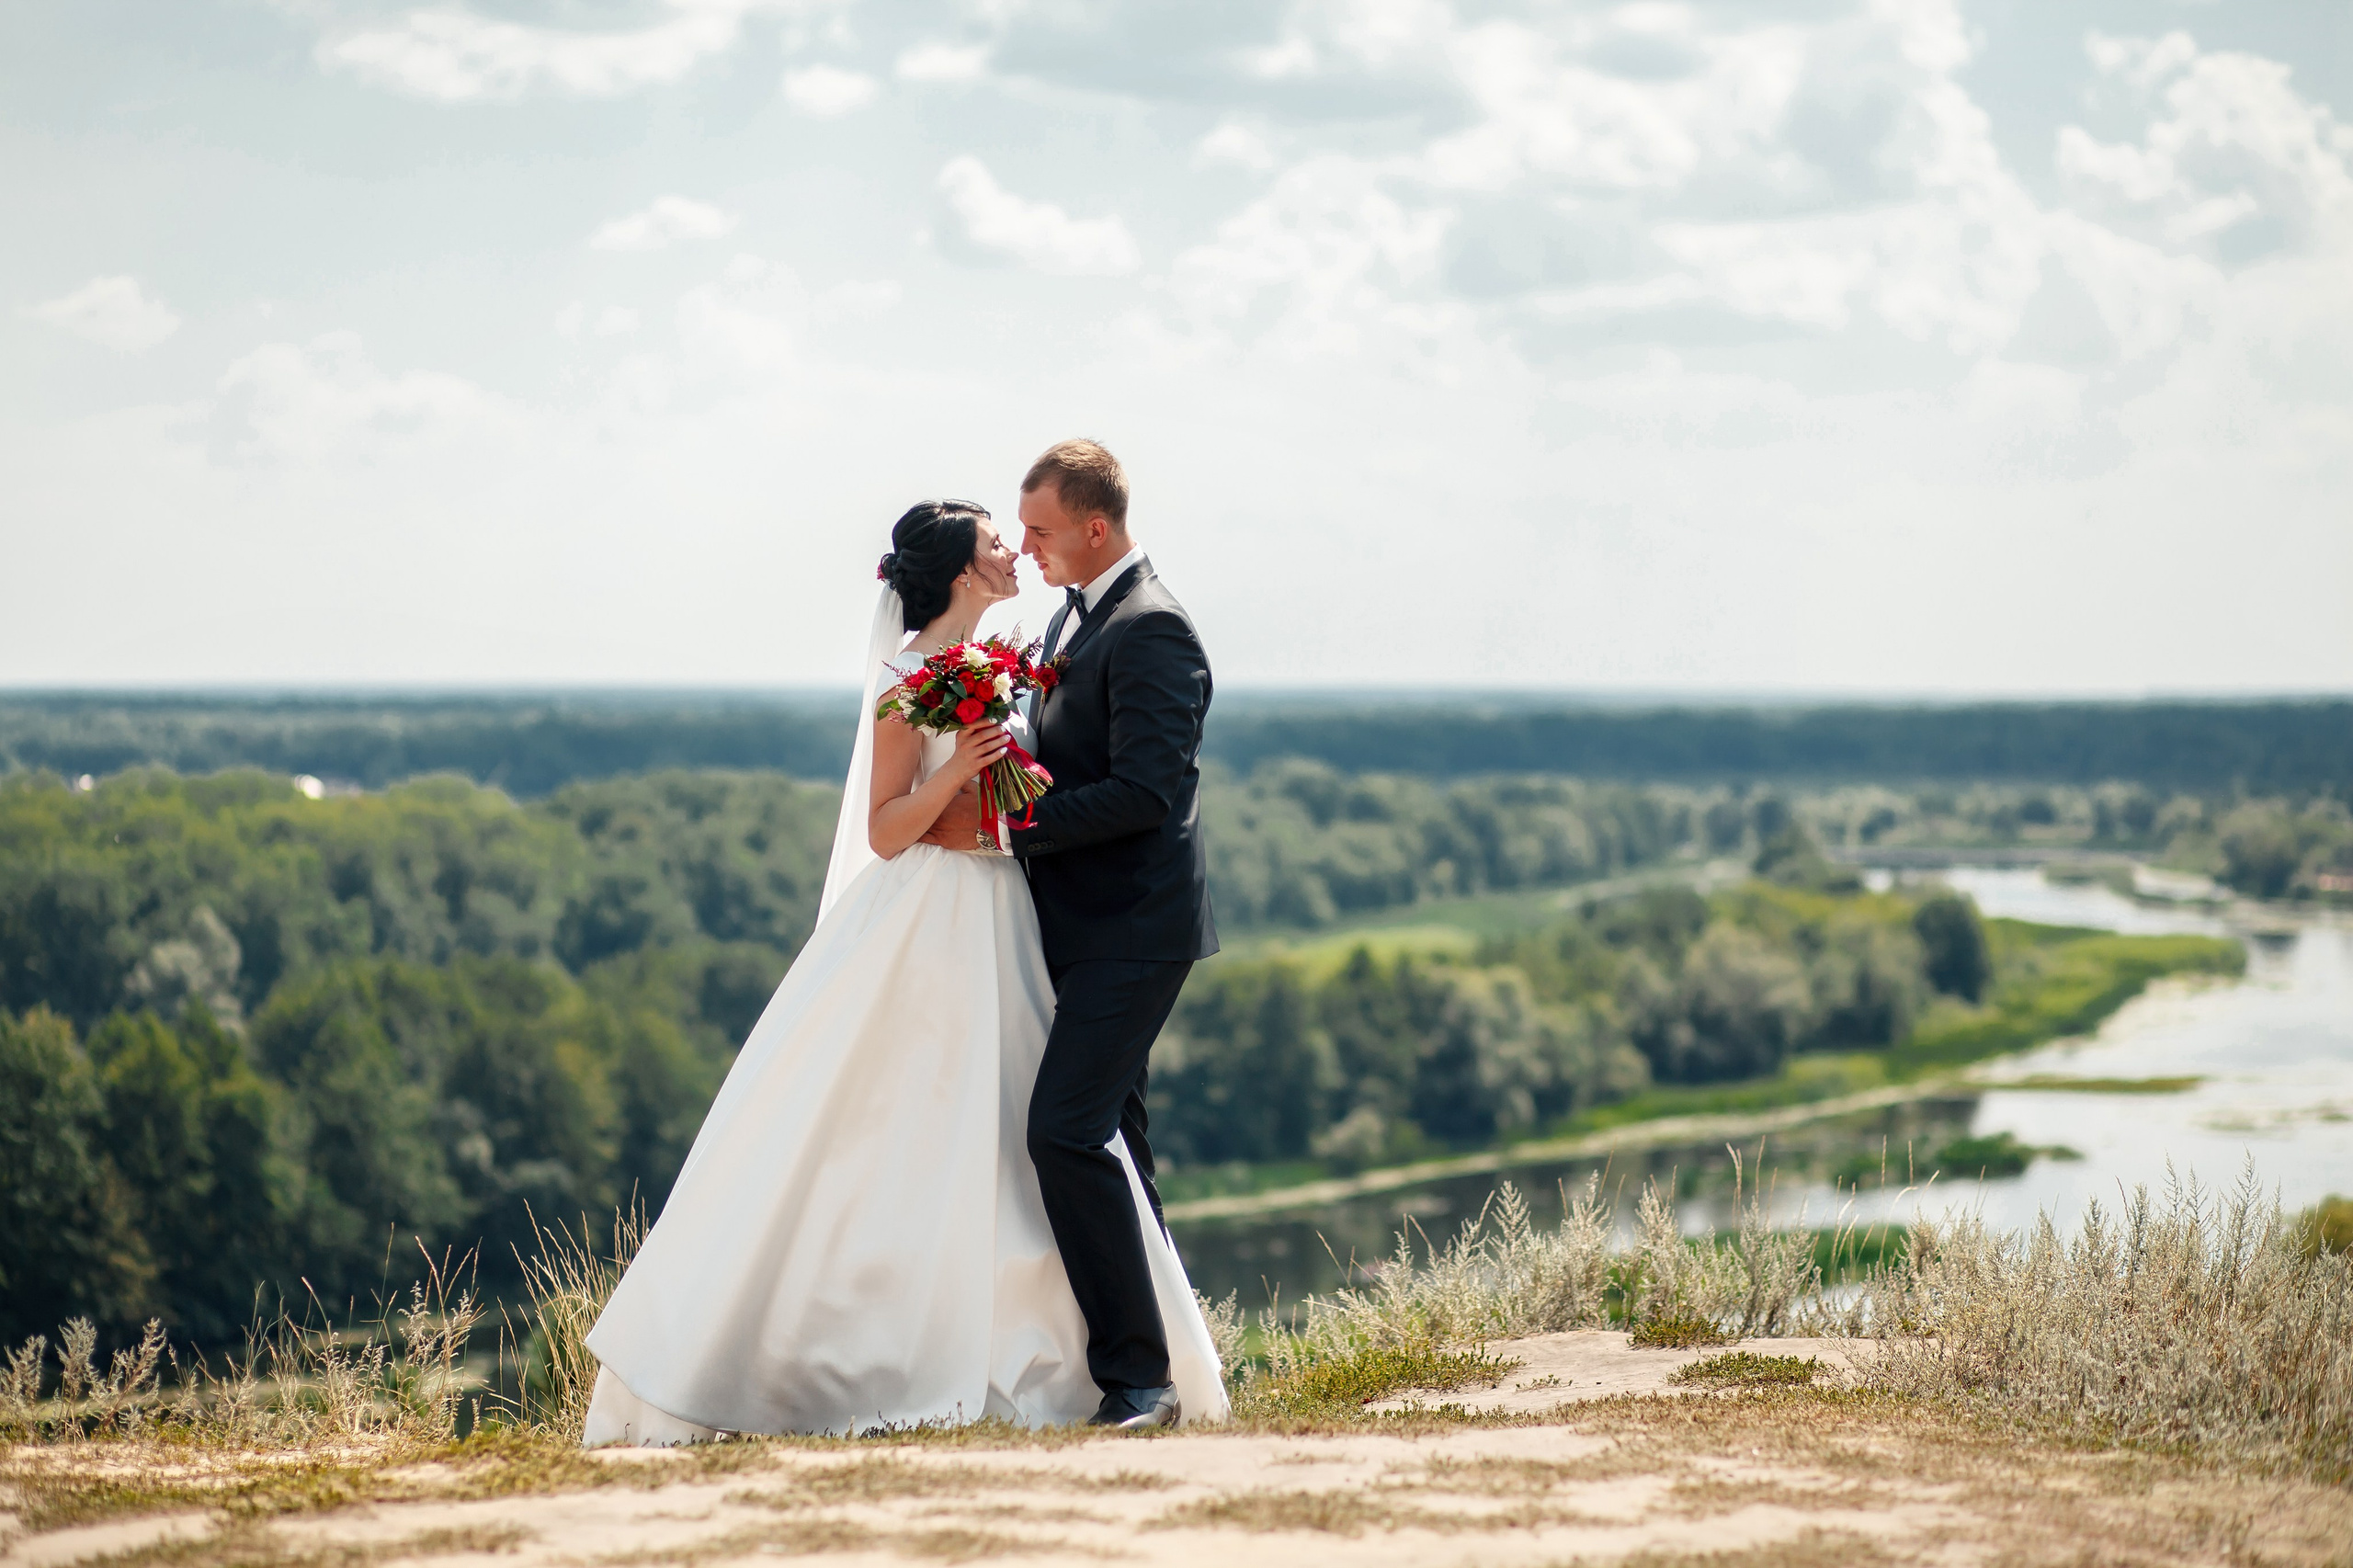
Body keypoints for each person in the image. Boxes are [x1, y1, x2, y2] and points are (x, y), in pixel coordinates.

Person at [579, 495, 1226, 1445]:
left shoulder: (1007, 654)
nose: (1015, 549)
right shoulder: (908, 676)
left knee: (1035, 1128)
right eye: (997, 541)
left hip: (1012, 913)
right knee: (927, 1119)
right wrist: (956, 772)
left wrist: (1011, 804)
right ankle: (893, 1349)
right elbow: (887, 830)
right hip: (934, 916)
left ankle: (1092, 1353)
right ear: (963, 570)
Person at [918, 438, 1217, 1430]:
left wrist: (1007, 829)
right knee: (1116, 1139)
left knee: (1063, 1128)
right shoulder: (1068, 616)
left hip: (1136, 926)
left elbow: (1145, 792)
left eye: (1040, 530)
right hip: (1080, 923)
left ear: (1095, 526)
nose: (1028, 547)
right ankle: (1179, 1366)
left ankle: (1140, 1382)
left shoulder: (1154, 626)